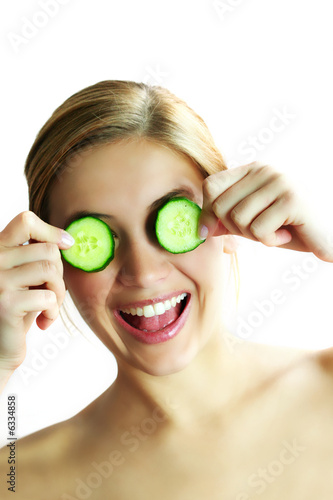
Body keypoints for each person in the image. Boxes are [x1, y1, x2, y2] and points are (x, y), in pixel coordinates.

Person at [0, 80, 332, 499]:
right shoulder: (20, 479)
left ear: (229, 222)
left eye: (172, 222)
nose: (142, 273)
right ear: (52, 263)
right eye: (99, 239)